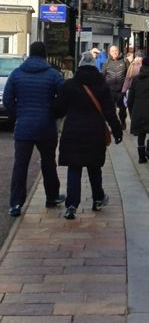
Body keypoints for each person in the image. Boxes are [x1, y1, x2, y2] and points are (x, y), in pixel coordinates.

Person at [53, 52, 123, 220]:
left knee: (74, 167)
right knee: (94, 166)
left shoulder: (69, 85)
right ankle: (98, 198)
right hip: (95, 131)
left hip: (73, 131)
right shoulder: (102, 85)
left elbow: (58, 110)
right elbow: (109, 111)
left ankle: (71, 205)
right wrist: (117, 130)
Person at [3, 41, 65, 217]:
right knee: (48, 163)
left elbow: (7, 99)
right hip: (46, 126)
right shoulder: (53, 75)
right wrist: (54, 114)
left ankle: (15, 204)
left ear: (29, 53)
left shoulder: (16, 74)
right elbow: (63, 97)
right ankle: (52, 197)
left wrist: (18, 115)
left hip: (24, 127)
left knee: (20, 166)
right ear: (45, 55)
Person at [102, 45, 129, 130]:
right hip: (110, 90)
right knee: (110, 110)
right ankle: (113, 126)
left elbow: (129, 75)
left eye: (116, 50)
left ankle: (123, 121)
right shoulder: (107, 62)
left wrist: (127, 87)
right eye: (112, 51)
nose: (114, 52)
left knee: (122, 110)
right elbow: (103, 75)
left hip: (122, 90)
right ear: (109, 52)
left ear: (119, 51)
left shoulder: (125, 61)